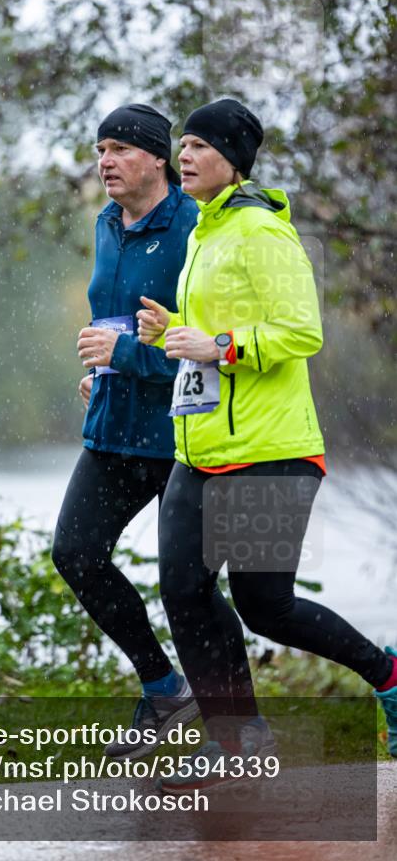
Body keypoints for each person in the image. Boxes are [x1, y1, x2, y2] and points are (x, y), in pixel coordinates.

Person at [136, 97, 397, 790]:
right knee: (184, 592)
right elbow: (207, 334)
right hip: (199, 451)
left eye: (195, 145)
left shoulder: (259, 231)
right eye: (178, 145)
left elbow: (298, 331)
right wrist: (171, 331)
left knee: (265, 606)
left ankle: (389, 674)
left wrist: (220, 344)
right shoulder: (203, 232)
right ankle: (235, 737)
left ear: (232, 157)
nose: (181, 156)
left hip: (270, 452)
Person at [51, 103, 200, 759]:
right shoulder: (107, 225)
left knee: (188, 587)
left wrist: (130, 360)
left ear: (157, 157)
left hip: (182, 437)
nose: (105, 161)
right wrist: (101, 372)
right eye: (100, 148)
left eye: (119, 148)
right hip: (113, 425)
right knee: (75, 553)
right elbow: (114, 323)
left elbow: (204, 346)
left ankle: (235, 730)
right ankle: (163, 686)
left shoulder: (196, 229)